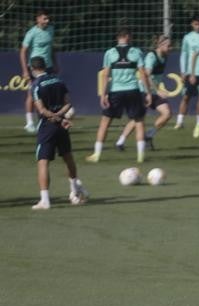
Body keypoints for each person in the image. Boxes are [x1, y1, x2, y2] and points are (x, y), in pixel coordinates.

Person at [29, 56, 88, 210]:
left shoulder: (36, 85)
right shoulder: (58, 80)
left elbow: (41, 110)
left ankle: (45, 200)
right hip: (62, 125)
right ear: (45, 66)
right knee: (68, 157)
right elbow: (68, 103)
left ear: (33, 69)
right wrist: (60, 116)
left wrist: (53, 116)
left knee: (43, 162)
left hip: (47, 126)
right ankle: (74, 191)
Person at [86, 28, 151, 163]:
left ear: (118, 38)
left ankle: (96, 155)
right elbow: (143, 73)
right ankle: (140, 156)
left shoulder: (109, 53)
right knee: (139, 121)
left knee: (105, 122)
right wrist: (148, 92)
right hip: (133, 90)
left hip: (116, 91)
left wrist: (103, 95)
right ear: (128, 37)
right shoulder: (136, 52)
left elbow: (105, 74)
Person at [115, 34, 172, 151]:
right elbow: (147, 75)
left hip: (153, 92)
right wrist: (157, 91)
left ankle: (149, 135)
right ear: (160, 45)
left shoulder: (164, 56)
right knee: (137, 118)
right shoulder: (152, 56)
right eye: (169, 46)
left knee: (167, 113)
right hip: (142, 91)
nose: (171, 48)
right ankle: (120, 141)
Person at [20, 9, 58, 134]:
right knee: (32, 94)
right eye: (44, 18)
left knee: (48, 93)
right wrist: (25, 70)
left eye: (48, 19)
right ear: (38, 19)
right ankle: (29, 122)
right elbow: (23, 51)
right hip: (35, 67)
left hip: (49, 67)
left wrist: (55, 63)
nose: (47, 21)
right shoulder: (32, 33)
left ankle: (45, 119)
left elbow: (51, 48)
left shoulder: (51, 30)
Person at [175, 15, 199, 131]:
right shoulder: (187, 37)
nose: (198, 26)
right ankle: (180, 122)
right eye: (196, 24)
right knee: (185, 97)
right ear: (192, 24)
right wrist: (183, 71)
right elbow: (184, 54)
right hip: (191, 72)